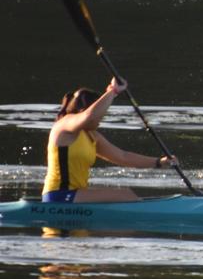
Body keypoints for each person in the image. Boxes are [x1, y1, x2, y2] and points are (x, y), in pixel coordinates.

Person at [42, 77, 176, 203]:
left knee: (124, 194)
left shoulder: (92, 136)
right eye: (100, 115)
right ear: (83, 111)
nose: (101, 119)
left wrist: (159, 162)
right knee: (124, 195)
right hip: (59, 196)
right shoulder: (64, 125)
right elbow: (90, 116)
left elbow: (123, 157)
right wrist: (113, 91)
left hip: (75, 196)